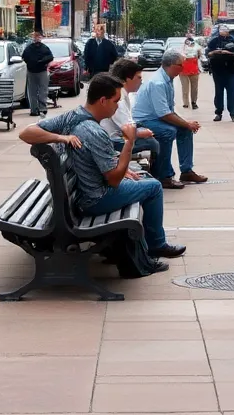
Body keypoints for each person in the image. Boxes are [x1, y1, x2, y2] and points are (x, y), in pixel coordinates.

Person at [19, 73, 184, 265]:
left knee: (141, 175)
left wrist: (121, 167)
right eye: (115, 101)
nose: (117, 106)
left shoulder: (74, 115)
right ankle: (156, 245)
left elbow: (26, 133)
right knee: (154, 187)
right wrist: (129, 142)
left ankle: (133, 244)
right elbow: (113, 180)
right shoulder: (94, 131)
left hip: (80, 194)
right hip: (96, 199)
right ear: (103, 100)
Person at [132, 50, 208, 188]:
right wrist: (186, 123)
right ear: (172, 65)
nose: (182, 68)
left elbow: (169, 111)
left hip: (155, 118)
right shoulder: (158, 83)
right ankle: (164, 176)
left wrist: (186, 124)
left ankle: (186, 170)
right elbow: (164, 115)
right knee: (168, 131)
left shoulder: (167, 79)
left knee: (185, 130)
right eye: (180, 65)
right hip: (144, 121)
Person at [104, 58, 162, 172]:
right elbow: (126, 129)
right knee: (153, 141)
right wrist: (143, 133)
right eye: (138, 78)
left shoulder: (124, 94)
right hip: (114, 142)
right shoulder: (118, 98)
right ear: (127, 79)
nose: (141, 81)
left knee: (154, 133)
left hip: (119, 136)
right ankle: (158, 178)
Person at [206, 24, 234, 122]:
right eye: (221, 30)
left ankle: (233, 113)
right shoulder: (214, 41)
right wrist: (215, 52)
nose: (223, 32)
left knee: (231, 92)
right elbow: (208, 52)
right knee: (219, 92)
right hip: (217, 70)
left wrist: (227, 52)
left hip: (231, 70)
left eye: (225, 30)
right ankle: (218, 112)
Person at [21, 30, 54, 116]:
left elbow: (24, 57)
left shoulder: (29, 48)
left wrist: (31, 63)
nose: (37, 38)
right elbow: (50, 57)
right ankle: (42, 108)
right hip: (41, 71)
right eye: (37, 37)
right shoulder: (44, 48)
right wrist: (43, 62)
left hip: (32, 71)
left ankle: (34, 110)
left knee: (33, 91)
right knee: (42, 90)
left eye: (38, 37)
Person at [179, 35, 203, 110]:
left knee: (194, 88)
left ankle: (194, 102)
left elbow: (200, 56)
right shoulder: (182, 49)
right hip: (183, 70)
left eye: (191, 44)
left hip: (194, 70)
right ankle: (186, 103)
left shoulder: (197, 48)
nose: (190, 45)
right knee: (185, 87)